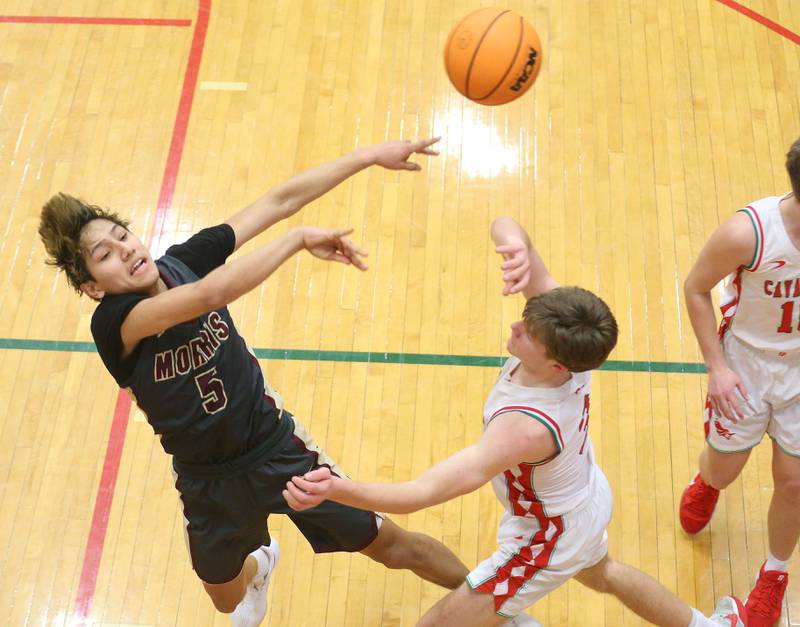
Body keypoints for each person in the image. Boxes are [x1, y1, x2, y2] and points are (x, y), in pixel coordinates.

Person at [38, 137, 470, 627]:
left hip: (274, 447)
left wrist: (367, 156)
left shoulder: (182, 261)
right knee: (226, 600)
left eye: (123, 236)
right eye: (105, 255)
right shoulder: (116, 323)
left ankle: (499, 604)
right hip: (207, 480)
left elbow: (278, 201)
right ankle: (260, 565)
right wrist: (297, 239)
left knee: (393, 547)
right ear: (93, 287)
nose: (126, 249)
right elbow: (210, 294)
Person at [284, 216, 749, 627]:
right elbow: (505, 221)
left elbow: (420, 493)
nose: (515, 328)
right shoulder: (567, 333)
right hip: (583, 498)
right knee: (603, 574)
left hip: (546, 535)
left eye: (526, 334)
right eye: (524, 320)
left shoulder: (524, 429)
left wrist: (338, 490)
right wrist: (516, 247)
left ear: (557, 367)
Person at [679, 137, 800, 627]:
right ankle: (708, 481)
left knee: (794, 483)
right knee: (726, 470)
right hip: (745, 363)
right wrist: (717, 368)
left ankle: (774, 573)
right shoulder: (747, 232)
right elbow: (695, 288)